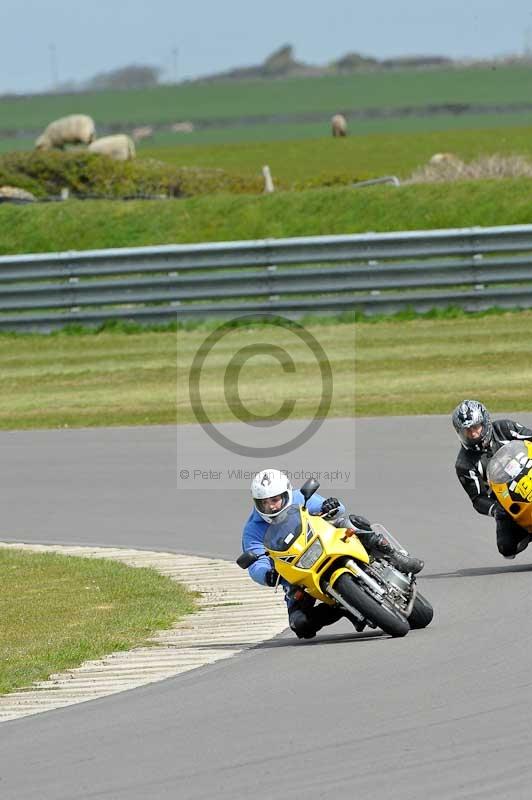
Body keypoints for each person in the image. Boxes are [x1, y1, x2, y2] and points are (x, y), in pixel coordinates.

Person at [242, 468, 424, 640]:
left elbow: (336, 508)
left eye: (274, 500)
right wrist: (266, 574)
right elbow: (255, 562)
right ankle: (342, 607)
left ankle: (395, 557)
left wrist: (330, 505)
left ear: (286, 494)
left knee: (352, 522)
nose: (271, 507)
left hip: (325, 542)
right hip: (296, 573)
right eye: (264, 503)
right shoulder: (252, 529)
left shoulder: (299, 497)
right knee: (300, 625)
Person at [452, 399, 532, 559]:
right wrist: (497, 510)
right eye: (467, 431)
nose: (473, 434)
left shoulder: (505, 428)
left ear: (485, 422)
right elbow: (478, 499)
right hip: (508, 502)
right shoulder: (464, 464)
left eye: (475, 427)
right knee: (506, 547)